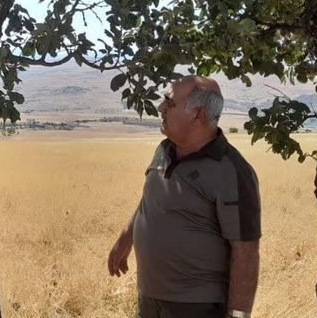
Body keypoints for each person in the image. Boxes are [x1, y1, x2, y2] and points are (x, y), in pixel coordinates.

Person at [108, 75, 261, 318]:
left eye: (169, 103)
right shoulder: (164, 149)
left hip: (195, 306)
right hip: (149, 297)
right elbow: (152, 199)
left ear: (197, 115)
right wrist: (126, 238)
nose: (160, 108)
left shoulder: (231, 171)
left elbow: (246, 252)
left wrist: (239, 316)